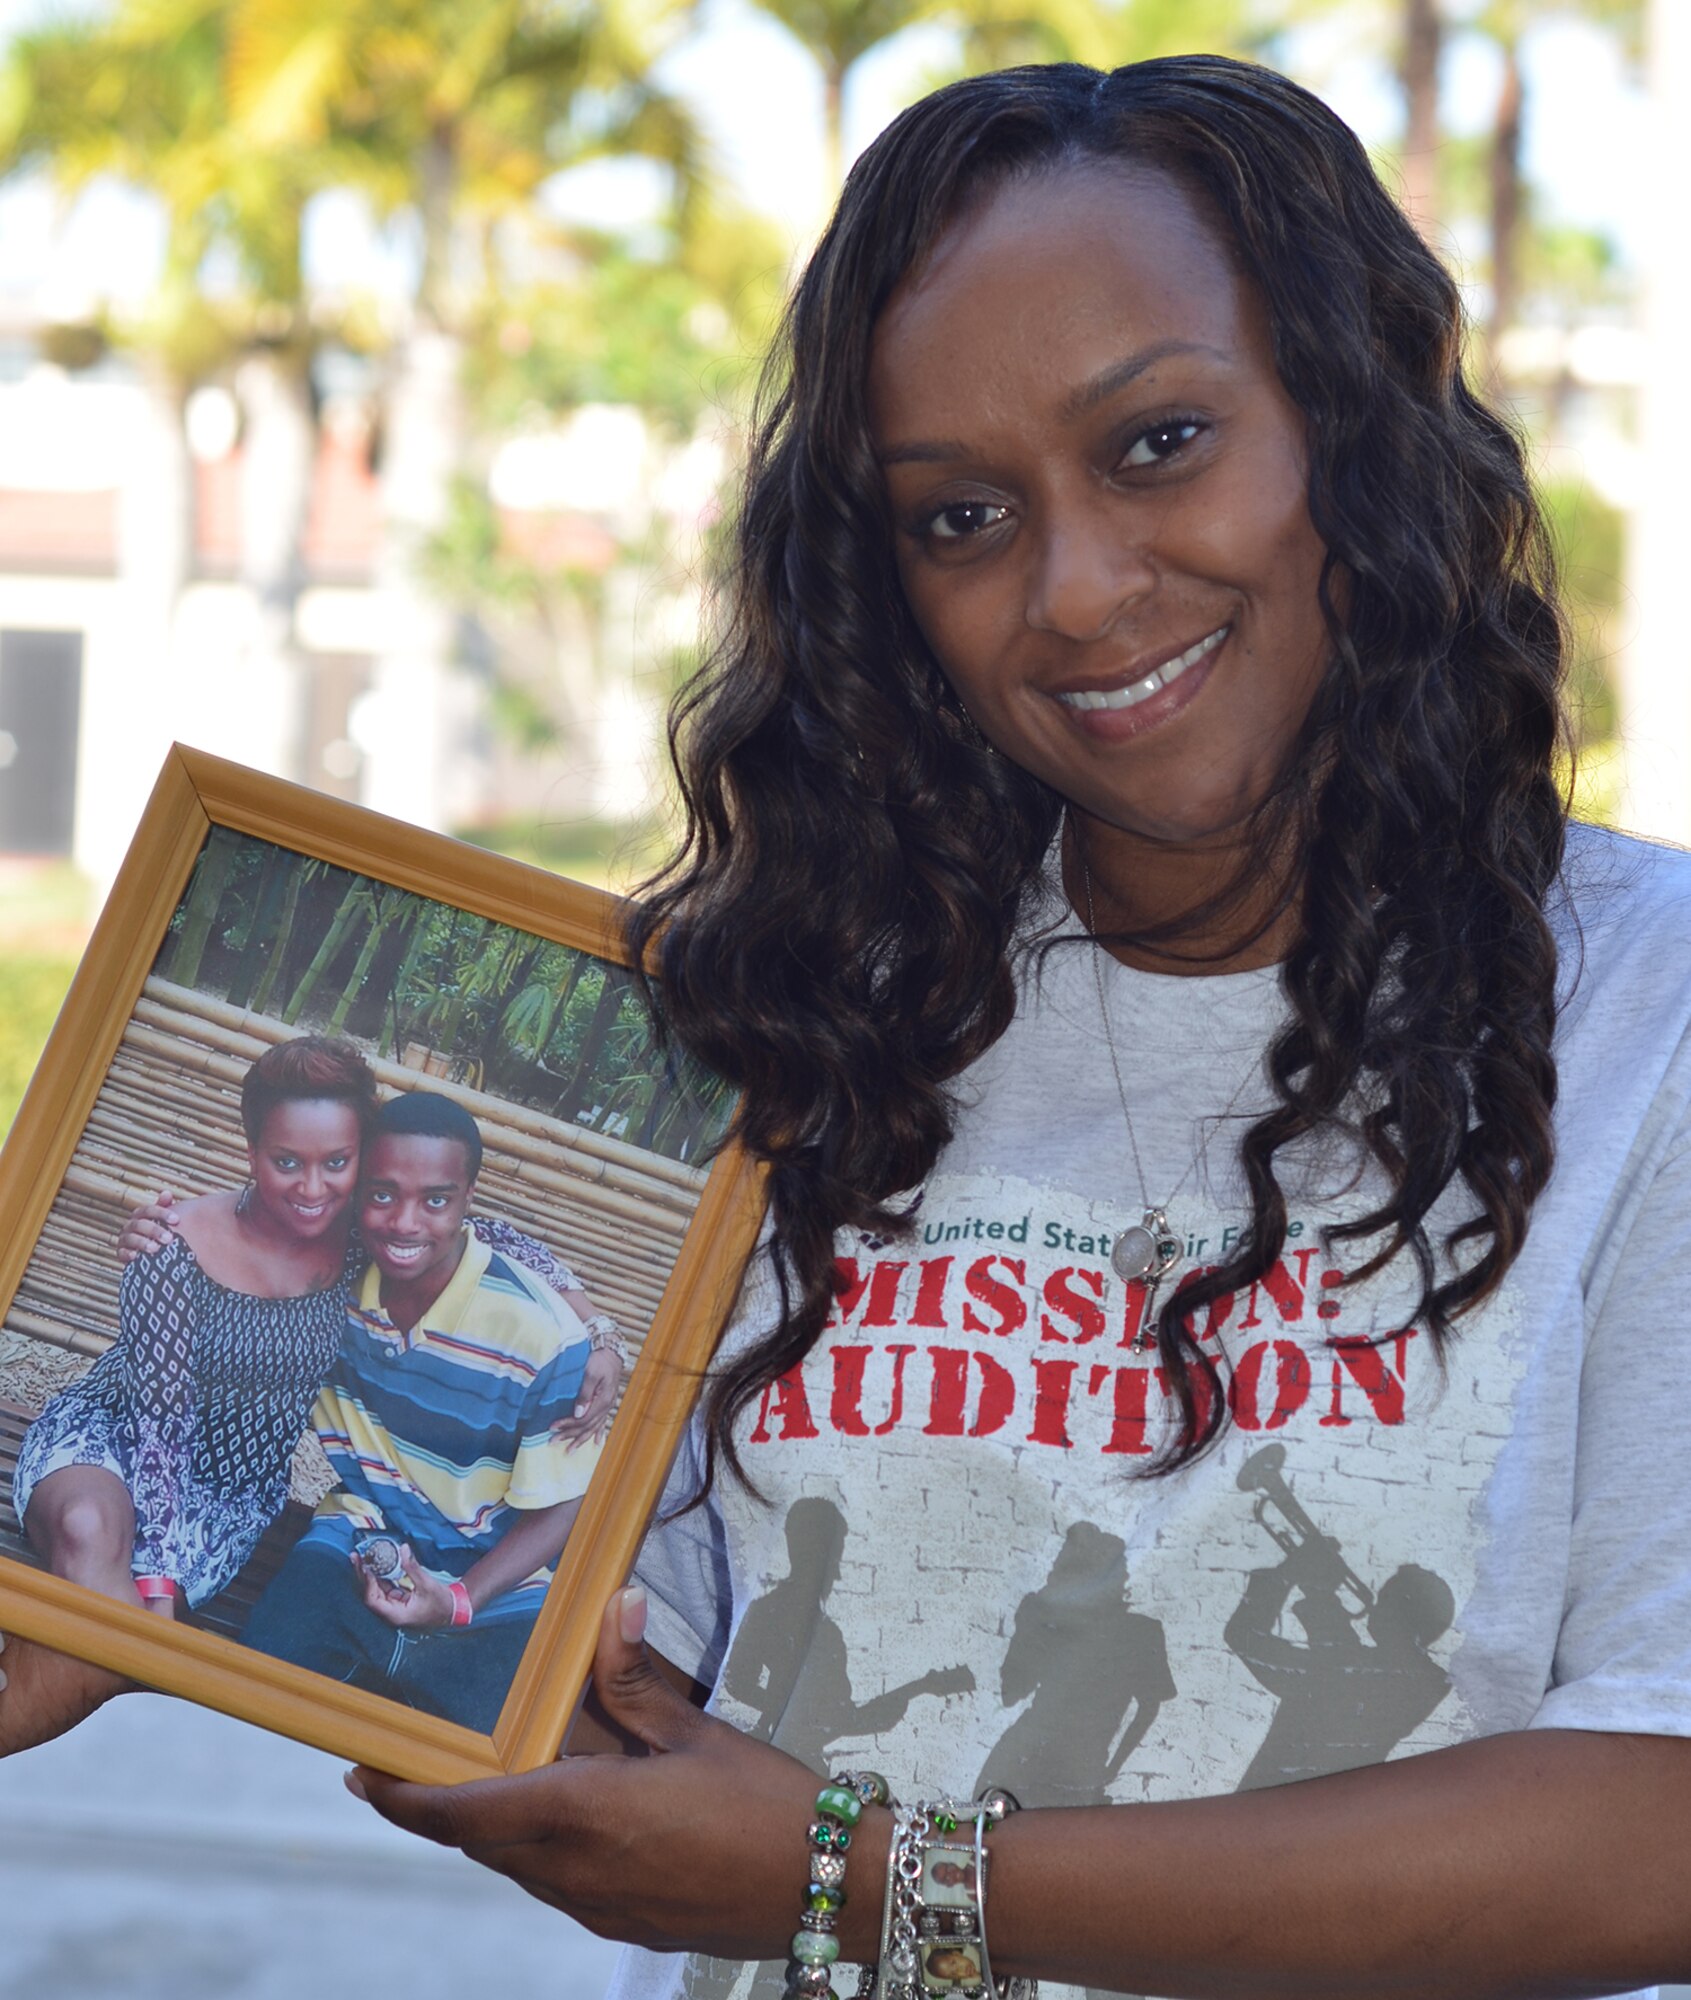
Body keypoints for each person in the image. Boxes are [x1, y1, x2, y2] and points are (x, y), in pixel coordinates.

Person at [6, 50, 1691, 2000]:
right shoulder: (781, 1021)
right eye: (958, 516)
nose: (1071, 588)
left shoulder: (1643, 1011)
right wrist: (135, 1595)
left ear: (1357, 416)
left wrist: (863, 1876)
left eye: (1154, 442)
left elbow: (1652, 1823)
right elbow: (578, 1620)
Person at [0, 1037, 619, 1752]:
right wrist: (160, 1605)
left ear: (361, 1161)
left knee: (105, 1625)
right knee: (90, 1537)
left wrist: (599, 1332)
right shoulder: (173, 1248)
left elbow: (501, 1240)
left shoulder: (369, 1236)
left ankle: (90, 1734)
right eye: (286, 1161)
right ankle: (133, 1712)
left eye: (336, 1163)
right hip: (114, 1441)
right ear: (252, 1148)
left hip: (228, 1491)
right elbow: (159, 1431)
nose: (311, 1187)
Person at [240, 1092, 604, 1733]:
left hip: (496, 1592)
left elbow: (559, 1507)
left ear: (467, 1200)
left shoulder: (543, 1337)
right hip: (357, 1540)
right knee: (243, 1705)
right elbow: (239, 1235)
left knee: (480, 1782)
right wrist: (162, 1229)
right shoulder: (328, 1281)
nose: (405, 1222)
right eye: (382, 1194)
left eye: (435, 1200)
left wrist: (460, 1602)